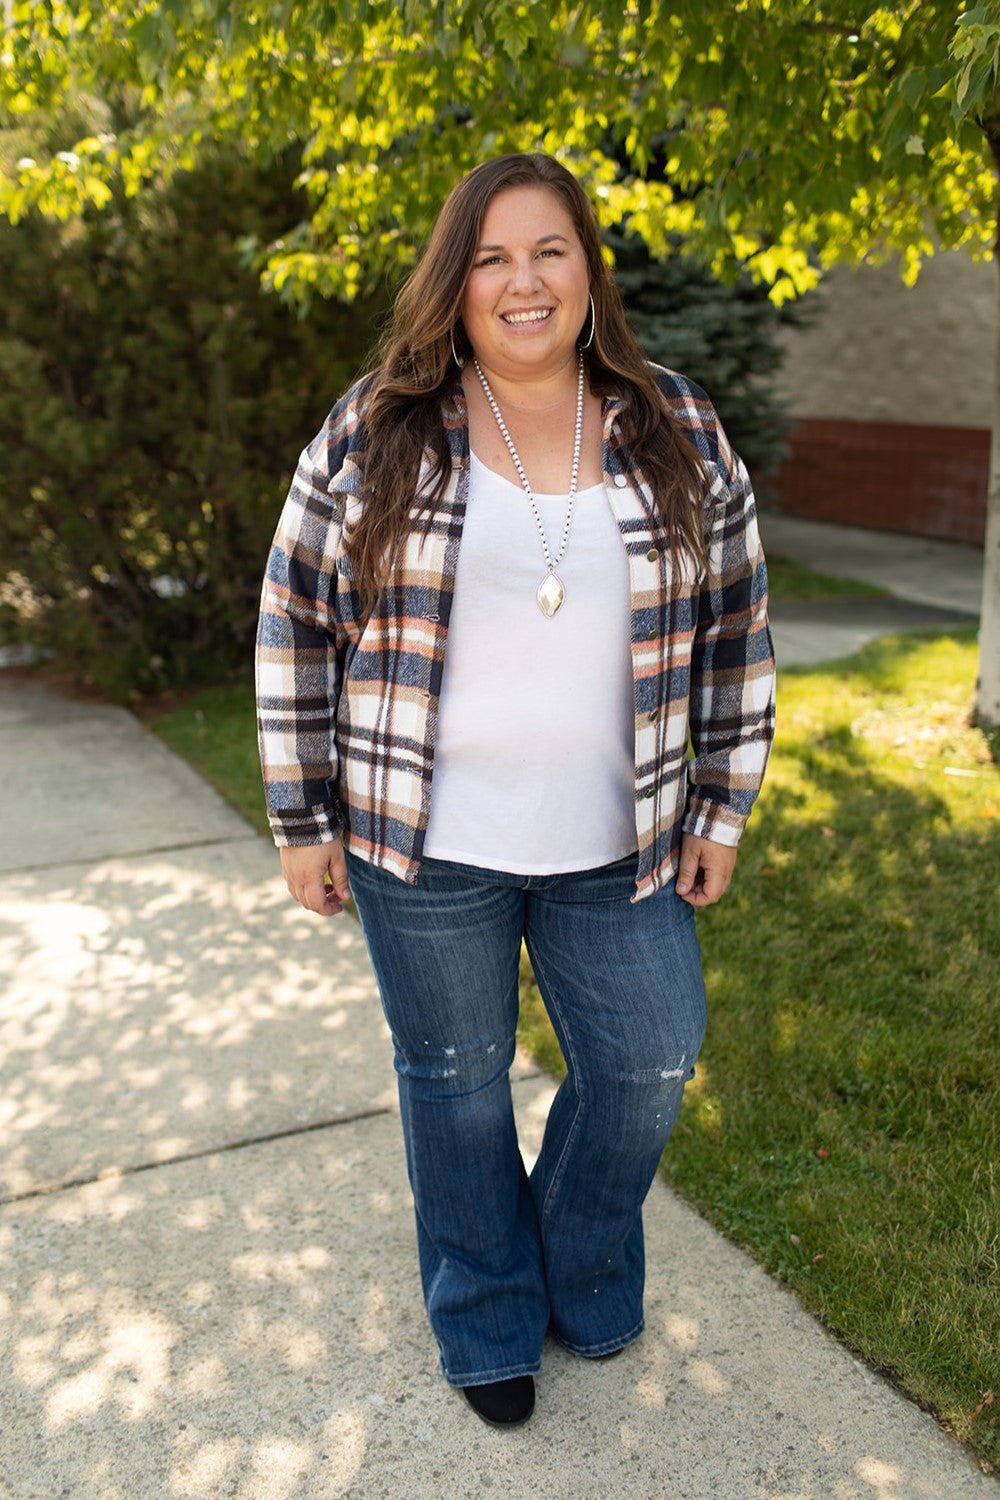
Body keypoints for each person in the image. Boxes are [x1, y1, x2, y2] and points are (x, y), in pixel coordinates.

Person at [256, 152, 775, 1429]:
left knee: (653, 1059)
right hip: (420, 843)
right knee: (453, 1074)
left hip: (624, 837)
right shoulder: (380, 425)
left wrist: (720, 806)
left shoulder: (677, 428)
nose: (522, 280)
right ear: (455, 282)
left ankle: (576, 1261)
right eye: (489, 257)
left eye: (549, 250)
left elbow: (737, 630)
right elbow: (292, 622)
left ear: (589, 269)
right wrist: (300, 819)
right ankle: (488, 1313)